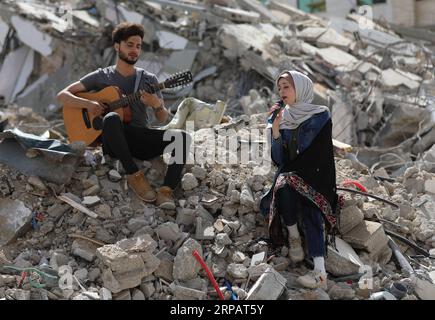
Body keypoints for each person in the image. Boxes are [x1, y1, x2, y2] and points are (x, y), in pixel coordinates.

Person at [57, 22, 191, 210]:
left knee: (183, 138)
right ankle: (134, 175)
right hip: (114, 142)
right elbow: (63, 96)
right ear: (117, 46)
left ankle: (166, 191)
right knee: (111, 118)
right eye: (130, 45)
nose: (135, 50)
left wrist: (157, 105)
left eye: (138, 46)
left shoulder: (149, 80)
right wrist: (89, 104)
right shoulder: (102, 76)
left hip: (139, 138)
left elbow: (162, 118)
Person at [259, 70, 341, 290]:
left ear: (300, 88)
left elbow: (320, 155)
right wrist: (275, 130)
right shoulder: (279, 118)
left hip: (317, 174)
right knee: (284, 185)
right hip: (291, 172)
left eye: (287, 86)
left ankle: (320, 271)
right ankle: (293, 235)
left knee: (311, 201)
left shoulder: (320, 115)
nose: (282, 92)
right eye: (279, 88)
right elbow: (279, 160)